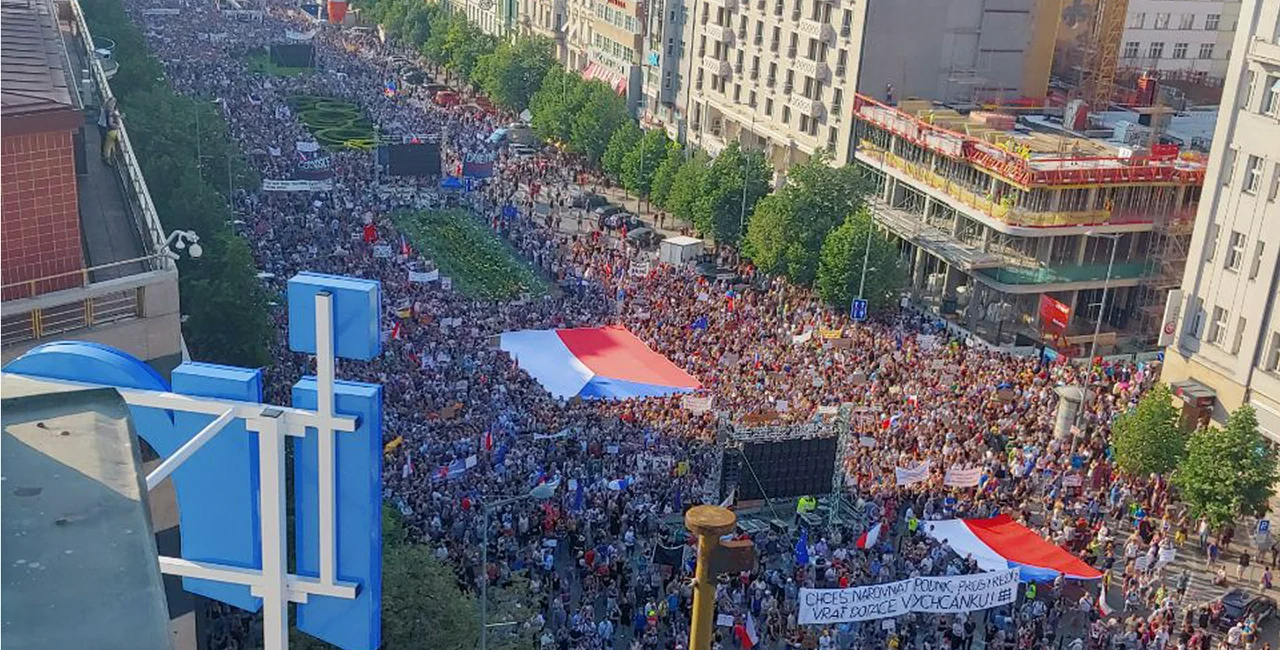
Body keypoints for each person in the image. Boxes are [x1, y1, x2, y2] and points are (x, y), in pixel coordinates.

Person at [100, 98, 122, 164]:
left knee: (105, 142)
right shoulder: (108, 111)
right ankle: (106, 158)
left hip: (102, 126)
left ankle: (104, 156)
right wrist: (117, 125)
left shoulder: (105, 108)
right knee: (107, 144)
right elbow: (110, 123)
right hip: (105, 128)